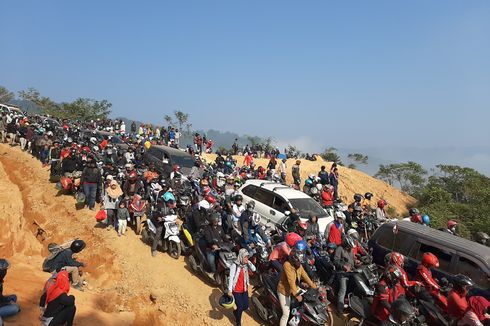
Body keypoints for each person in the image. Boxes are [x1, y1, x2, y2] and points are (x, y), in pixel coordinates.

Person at [277, 249, 317, 326]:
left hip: (294, 288)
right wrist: (296, 294)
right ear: (293, 260)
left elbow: (306, 276)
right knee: (286, 314)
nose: (300, 263)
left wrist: (314, 287)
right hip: (284, 291)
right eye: (299, 261)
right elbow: (291, 281)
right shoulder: (287, 265)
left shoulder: (299, 266)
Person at [227, 249, 256, 326]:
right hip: (236, 290)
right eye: (245, 257)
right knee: (240, 307)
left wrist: (249, 262)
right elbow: (231, 277)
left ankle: (236, 312)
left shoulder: (246, 265)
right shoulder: (234, 265)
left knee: (245, 306)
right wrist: (230, 290)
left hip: (244, 289)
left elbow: (254, 269)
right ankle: (238, 323)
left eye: (247, 257)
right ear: (240, 257)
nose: (247, 258)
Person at [333, 235, 356, 314]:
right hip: (342, 273)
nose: (350, 247)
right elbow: (335, 261)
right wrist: (343, 267)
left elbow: (352, 260)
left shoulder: (350, 250)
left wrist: (357, 262)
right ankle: (339, 309)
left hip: (351, 272)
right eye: (349, 245)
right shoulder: (339, 249)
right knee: (343, 289)